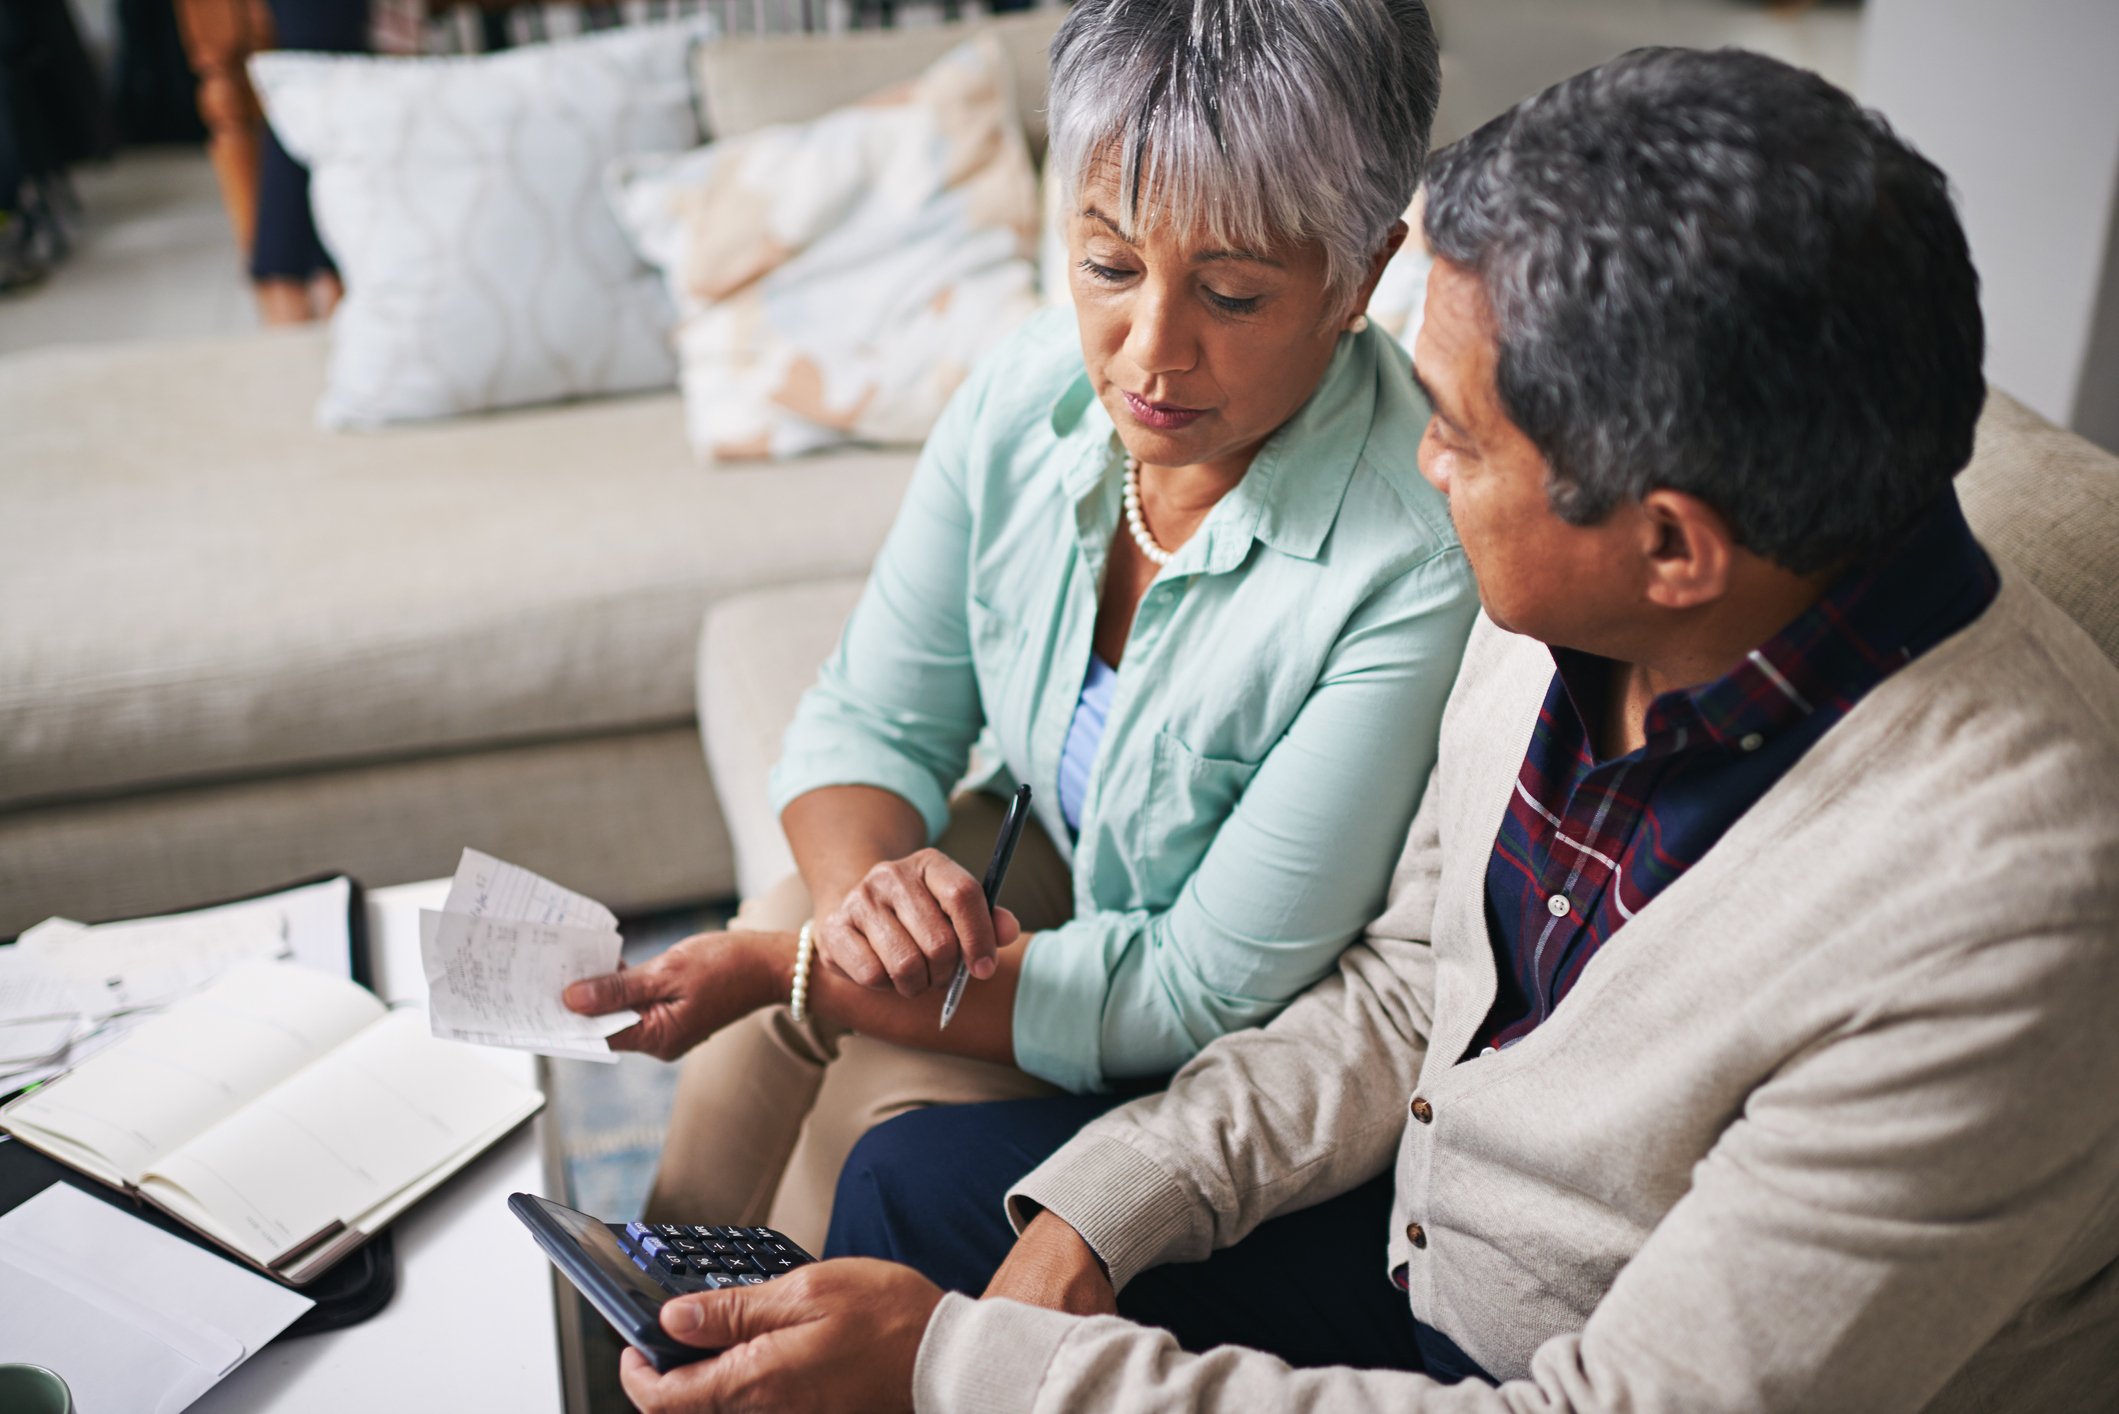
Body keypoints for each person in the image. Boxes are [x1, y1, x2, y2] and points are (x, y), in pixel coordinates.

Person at [605, 46, 2119, 1414]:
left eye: (1453, 433)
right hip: (1418, 1223)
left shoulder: (2002, 923)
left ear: (1668, 545)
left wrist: (970, 1365)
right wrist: (1105, 1208)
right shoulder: (1585, 608)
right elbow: (1406, 980)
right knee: (919, 1186)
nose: (1411, 454)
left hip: (1539, 1354)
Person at [564, 0, 1474, 1255]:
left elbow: (1195, 983)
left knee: (859, 1108)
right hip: (1050, 850)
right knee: (795, 906)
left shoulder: (1410, 560)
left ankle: (752, 1339)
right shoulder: (1027, 386)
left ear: (1359, 277)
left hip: (1218, 1012)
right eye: (1109, 266)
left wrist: (809, 970)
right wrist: (869, 897)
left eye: (1230, 293)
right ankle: (654, 1313)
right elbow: (873, 716)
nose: (1148, 355)